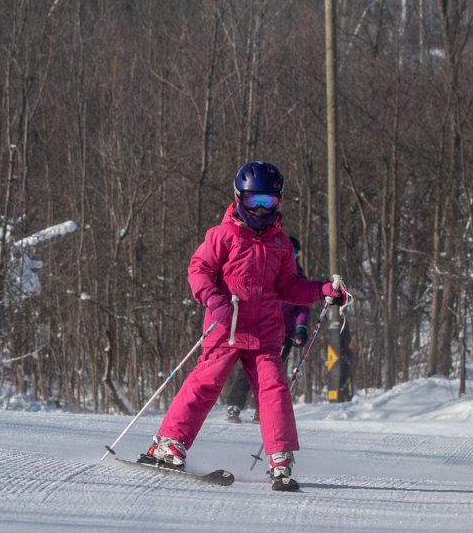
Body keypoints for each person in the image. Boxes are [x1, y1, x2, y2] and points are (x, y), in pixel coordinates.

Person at [144, 162, 349, 487]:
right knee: (205, 384)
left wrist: (322, 290)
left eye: (268, 202)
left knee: (274, 391)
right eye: (254, 202)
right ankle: (170, 444)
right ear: (239, 198)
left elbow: (290, 287)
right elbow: (198, 271)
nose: (261, 209)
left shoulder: (281, 245)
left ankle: (280, 458)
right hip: (226, 327)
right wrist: (213, 299)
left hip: (265, 333)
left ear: (278, 202)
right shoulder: (222, 236)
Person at [223, 236, 313, 424]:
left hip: (284, 334)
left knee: (271, 373)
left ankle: (261, 409)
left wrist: (300, 329)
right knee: (249, 368)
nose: (291, 256)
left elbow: (302, 307)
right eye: (289, 251)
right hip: (260, 327)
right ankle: (234, 404)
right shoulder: (269, 267)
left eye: (295, 253)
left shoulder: (298, 277)